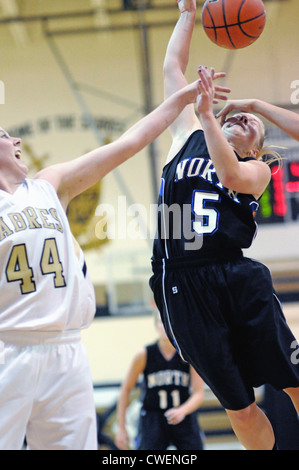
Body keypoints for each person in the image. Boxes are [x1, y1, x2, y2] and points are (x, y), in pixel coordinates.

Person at [0, 73, 230, 450]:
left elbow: (130, 141)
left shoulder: (49, 185)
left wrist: (182, 98)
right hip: (7, 347)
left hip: (67, 348)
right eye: (7, 136)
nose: (17, 140)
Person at [149, 0, 299, 451]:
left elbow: (230, 176)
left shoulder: (255, 171)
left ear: (259, 147)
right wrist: (187, 15)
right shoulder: (186, 138)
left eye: (249, 121)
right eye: (237, 115)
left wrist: (215, 114)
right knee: (240, 406)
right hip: (181, 282)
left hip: (236, 275)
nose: (242, 119)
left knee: (293, 379)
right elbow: (172, 68)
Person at [115, 312, 205, 450]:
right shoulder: (144, 354)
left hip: (183, 416)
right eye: (160, 322)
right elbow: (125, 390)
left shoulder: (187, 353)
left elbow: (199, 393)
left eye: (168, 321)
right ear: (156, 326)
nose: (164, 326)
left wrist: (182, 410)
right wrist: (121, 428)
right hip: (153, 418)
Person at [216, 98, 299, 143]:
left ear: (254, 152)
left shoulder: (261, 168)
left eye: (253, 123)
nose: (242, 119)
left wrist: (254, 104)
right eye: (234, 119)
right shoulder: (205, 148)